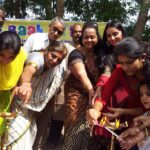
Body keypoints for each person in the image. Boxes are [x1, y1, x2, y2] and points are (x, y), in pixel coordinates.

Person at [86, 37, 149, 149]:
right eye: (121, 63)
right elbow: (104, 96)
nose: (125, 67)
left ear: (142, 57)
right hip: (132, 123)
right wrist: (95, 111)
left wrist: (124, 111)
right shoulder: (120, 71)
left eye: (129, 63)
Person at [3, 41, 67, 150]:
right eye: (53, 56)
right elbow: (30, 68)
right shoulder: (37, 58)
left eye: (59, 60)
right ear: (47, 51)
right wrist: (26, 83)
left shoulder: (55, 67)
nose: (55, 61)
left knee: (28, 141)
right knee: (18, 144)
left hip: (30, 114)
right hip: (17, 111)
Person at [23, 16, 66, 150]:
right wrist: (25, 83)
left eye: (60, 32)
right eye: (55, 29)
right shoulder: (35, 38)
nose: (56, 33)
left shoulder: (61, 50)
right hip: (27, 92)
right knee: (23, 130)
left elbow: (61, 71)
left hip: (46, 96)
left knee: (39, 131)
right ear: (49, 26)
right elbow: (25, 59)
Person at [63, 21, 106, 150]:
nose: (89, 40)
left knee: (90, 125)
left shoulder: (100, 54)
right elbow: (81, 73)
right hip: (76, 93)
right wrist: (90, 89)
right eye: (86, 37)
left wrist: (96, 90)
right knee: (74, 123)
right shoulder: (76, 53)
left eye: (92, 37)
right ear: (82, 38)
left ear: (97, 37)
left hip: (95, 94)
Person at [47, 23, 82, 147]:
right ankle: (52, 141)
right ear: (71, 34)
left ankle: (68, 142)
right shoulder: (66, 46)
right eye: (75, 31)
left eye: (80, 31)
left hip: (80, 89)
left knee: (74, 116)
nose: (78, 34)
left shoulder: (86, 48)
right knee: (58, 114)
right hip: (65, 83)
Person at [0, 31, 27, 146]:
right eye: (1, 55)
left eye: (11, 57)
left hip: (5, 95)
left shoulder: (22, 55)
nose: (5, 61)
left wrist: (22, 84)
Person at [118, 80, 150, 150]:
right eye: (141, 95)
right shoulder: (144, 115)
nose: (144, 98)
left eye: (148, 94)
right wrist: (131, 141)